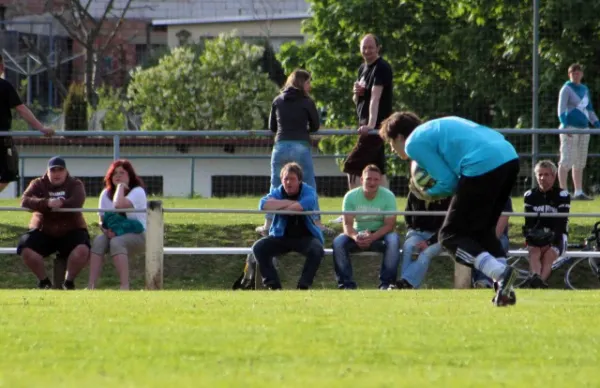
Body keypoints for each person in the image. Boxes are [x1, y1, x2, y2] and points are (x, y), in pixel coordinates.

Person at [379, 112, 520, 307]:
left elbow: (448, 182)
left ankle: (501, 273)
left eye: (390, 142)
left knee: (449, 236)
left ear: (400, 137)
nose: (392, 149)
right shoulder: (434, 128)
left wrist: (426, 194)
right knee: (484, 232)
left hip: (482, 164)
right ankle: (505, 291)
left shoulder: (413, 143)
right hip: (509, 157)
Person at [255, 69, 333, 236]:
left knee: (276, 184)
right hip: (300, 146)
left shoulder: (278, 100)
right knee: (309, 184)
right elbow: (315, 126)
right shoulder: (307, 101)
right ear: (301, 83)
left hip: (280, 146)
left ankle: (268, 224)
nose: (309, 86)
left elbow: (272, 127)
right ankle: (316, 222)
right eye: (308, 82)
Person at [17, 156, 89, 289]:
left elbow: (78, 201)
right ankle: (44, 282)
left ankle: (68, 283)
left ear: (66, 171)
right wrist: (47, 203)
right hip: (43, 230)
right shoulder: (37, 183)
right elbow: (24, 201)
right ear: (47, 172)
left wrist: (61, 203)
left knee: (83, 249)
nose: (57, 174)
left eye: (60, 170)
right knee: (25, 247)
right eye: (53, 170)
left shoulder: (75, 184)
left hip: (71, 229)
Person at [251, 162, 324, 290]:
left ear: (300, 180)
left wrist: (281, 205)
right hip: (280, 237)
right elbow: (263, 205)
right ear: (281, 180)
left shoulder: (309, 191)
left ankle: (303, 285)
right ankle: (273, 285)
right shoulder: (278, 191)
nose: (288, 182)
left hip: (305, 237)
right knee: (259, 247)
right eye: (286, 179)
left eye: (292, 179)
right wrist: (290, 203)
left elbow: (302, 205)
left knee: (317, 249)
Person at [341, 34, 393, 196]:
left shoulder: (381, 67)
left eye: (371, 47)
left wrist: (371, 126)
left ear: (378, 48)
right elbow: (358, 100)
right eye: (364, 47)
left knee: (351, 166)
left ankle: (352, 209)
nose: (367, 51)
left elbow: (375, 98)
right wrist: (356, 93)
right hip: (366, 124)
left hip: (375, 126)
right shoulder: (362, 69)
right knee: (378, 169)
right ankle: (387, 210)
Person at [332, 164, 400, 290]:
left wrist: (372, 237)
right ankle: (346, 285)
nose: (372, 182)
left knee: (394, 239)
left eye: (376, 179)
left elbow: (390, 225)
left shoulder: (389, 196)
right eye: (368, 179)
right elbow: (347, 224)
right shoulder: (350, 196)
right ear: (362, 180)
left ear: (380, 181)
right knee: (338, 242)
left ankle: (387, 284)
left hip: (380, 234)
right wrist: (355, 236)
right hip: (357, 233)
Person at [88, 160, 147, 290]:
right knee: (98, 241)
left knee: (116, 242)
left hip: (139, 234)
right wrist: (105, 231)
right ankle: (91, 286)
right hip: (113, 232)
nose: (118, 176)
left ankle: (124, 287)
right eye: (115, 173)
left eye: (122, 173)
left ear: (130, 176)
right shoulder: (105, 194)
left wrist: (120, 187)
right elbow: (101, 219)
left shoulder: (137, 191)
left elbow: (119, 205)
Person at [0, 54, 54, 193]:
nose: (3, 67)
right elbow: (21, 109)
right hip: (2, 139)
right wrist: (40, 127)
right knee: (7, 174)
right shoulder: (4, 86)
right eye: (2, 64)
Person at [523, 160, 570, 288]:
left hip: (557, 235)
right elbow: (529, 224)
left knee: (549, 255)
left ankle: (537, 283)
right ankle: (538, 282)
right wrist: (535, 238)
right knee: (534, 252)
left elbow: (561, 223)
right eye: (540, 174)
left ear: (554, 176)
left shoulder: (562, 195)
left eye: (547, 174)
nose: (542, 178)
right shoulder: (530, 195)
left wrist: (550, 240)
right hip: (537, 235)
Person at [557, 63, 599, 200]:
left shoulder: (584, 89)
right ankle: (563, 191)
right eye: (573, 73)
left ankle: (578, 191)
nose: (576, 75)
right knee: (567, 159)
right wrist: (564, 124)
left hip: (584, 128)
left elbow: (589, 110)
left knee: (580, 160)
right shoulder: (566, 89)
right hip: (570, 128)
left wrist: (597, 123)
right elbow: (561, 109)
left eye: (578, 72)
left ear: (582, 74)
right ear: (569, 74)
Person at [397, 192, 450, 289]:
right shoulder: (414, 192)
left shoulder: (446, 194)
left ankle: (405, 283)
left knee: (426, 253)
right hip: (417, 234)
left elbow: (448, 225)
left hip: (440, 237)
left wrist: (429, 242)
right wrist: (410, 230)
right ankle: (406, 285)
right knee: (408, 247)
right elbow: (407, 214)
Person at [472, 198, 513, 288]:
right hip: (476, 235)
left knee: (497, 244)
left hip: (498, 235)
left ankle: (485, 282)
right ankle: (499, 281)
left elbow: (500, 226)